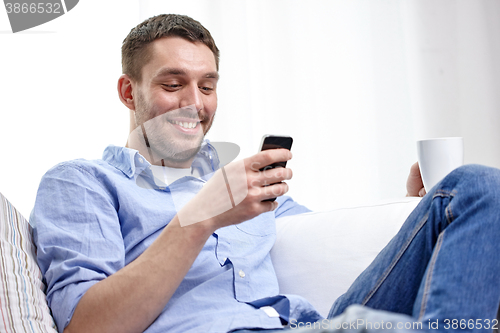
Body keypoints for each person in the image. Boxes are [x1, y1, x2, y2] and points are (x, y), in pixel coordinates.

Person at [31, 14, 500, 333]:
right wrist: (202, 217)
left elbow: (359, 257)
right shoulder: (81, 182)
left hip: (310, 324)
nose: (195, 103)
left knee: (473, 188)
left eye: (208, 86)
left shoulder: (244, 187)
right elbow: (86, 324)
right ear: (128, 93)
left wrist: (413, 215)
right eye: (173, 85)